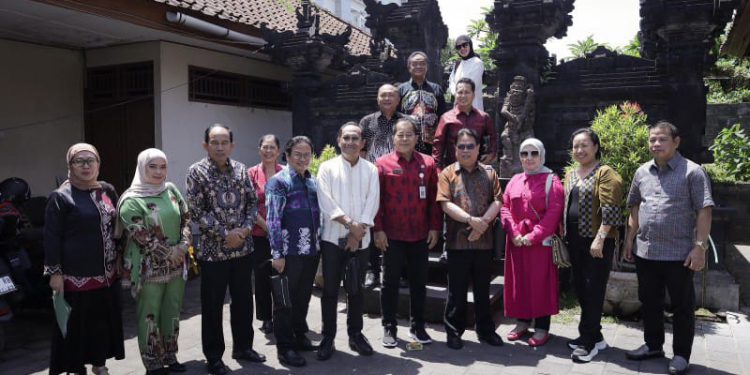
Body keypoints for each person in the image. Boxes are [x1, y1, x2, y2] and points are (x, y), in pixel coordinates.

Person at [623, 121, 713, 375]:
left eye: (662, 139)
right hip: (646, 251)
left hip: (679, 254)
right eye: (652, 139)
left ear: (676, 142)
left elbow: (704, 211)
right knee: (649, 301)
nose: (656, 144)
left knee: (682, 306)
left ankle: (682, 355)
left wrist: (700, 247)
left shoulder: (692, 172)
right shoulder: (642, 172)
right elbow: (635, 207)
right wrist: (630, 238)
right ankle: (653, 345)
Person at [185, 124, 265, 375]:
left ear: (232, 145)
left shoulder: (241, 170)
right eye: (214, 142)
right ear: (205, 145)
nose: (219, 147)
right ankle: (214, 357)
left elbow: (252, 204)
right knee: (212, 306)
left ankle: (243, 347)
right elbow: (197, 210)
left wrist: (242, 231)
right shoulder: (196, 172)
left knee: (243, 301)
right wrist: (224, 235)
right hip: (213, 252)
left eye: (224, 142)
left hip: (243, 249)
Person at [44, 143, 124, 375]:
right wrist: (54, 273)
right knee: (76, 327)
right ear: (70, 165)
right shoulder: (60, 197)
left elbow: (118, 225)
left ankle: (99, 365)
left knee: (100, 325)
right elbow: (51, 237)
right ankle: (75, 369)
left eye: (91, 160)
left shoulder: (107, 190)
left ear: (99, 163)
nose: (86, 165)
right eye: (79, 161)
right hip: (74, 277)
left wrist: (120, 255)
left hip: (107, 275)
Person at [118, 148, 191, 375]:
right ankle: (153, 363)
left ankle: (170, 355)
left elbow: (186, 218)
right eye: (153, 166)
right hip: (148, 268)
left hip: (177, 265)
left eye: (163, 167)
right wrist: (170, 253)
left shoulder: (170, 190)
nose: (159, 172)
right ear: (142, 167)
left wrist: (183, 245)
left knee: (172, 310)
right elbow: (142, 237)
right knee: (149, 314)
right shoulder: (131, 200)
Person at [374, 118, 441, 348]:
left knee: (419, 283)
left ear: (416, 137)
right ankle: (389, 327)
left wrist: (434, 227)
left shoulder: (429, 164)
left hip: (420, 234)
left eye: (408, 134)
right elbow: (377, 200)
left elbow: (434, 199)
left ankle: (418, 326)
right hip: (391, 234)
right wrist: (379, 229)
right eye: (399, 135)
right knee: (389, 283)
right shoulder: (382, 164)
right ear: (393, 138)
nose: (404, 138)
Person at [316, 122, 380, 361]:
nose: (351, 142)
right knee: (330, 291)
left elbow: (372, 202)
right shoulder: (326, 168)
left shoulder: (371, 170)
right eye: (347, 138)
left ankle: (356, 334)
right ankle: (328, 337)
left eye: (356, 138)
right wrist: (350, 226)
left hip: (360, 241)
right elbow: (326, 202)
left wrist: (357, 232)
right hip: (332, 240)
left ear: (363, 143)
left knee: (356, 290)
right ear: (339, 140)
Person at [436, 128, 504, 350]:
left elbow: (498, 201)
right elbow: (445, 204)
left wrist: (482, 222)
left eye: (470, 146)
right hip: (457, 242)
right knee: (456, 291)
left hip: (484, 243)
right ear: (455, 150)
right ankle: (454, 331)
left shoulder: (489, 173)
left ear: (478, 149)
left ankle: (485, 330)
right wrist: (472, 221)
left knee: (483, 289)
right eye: (461, 146)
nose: (465, 150)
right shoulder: (447, 173)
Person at [563, 129, 624, 363]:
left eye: (585, 145)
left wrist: (600, 237)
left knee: (593, 289)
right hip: (575, 240)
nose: (579, 150)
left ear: (596, 147)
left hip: (597, 242)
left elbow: (611, 209)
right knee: (580, 287)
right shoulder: (571, 174)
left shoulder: (605, 173)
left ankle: (588, 344)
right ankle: (594, 336)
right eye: (576, 146)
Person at [501, 138, 564, 347]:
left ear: (542, 155)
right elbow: (505, 207)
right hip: (517, 242)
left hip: (539, 244)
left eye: (534, 153)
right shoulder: (516, 179)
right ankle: (522, 322)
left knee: (540, 284)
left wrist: (532, 236)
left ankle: (542, 327)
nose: (529, 158)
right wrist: (514, 233)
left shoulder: (551, 180)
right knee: (520, 282)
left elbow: (553, 213)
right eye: (524, 154)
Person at [266, 136, 321, 368]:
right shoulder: (278, 182)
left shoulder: (313, 182)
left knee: (302, 298)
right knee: (284, 302)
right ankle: (285, 348)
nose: (302, 158)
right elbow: (273, 219)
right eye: (297, 154)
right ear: (287, 156)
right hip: (289, 252)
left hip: (310, 250)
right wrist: (276, 253)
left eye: (306, 154)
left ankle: (299, 335)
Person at [360, 83, 404, 289]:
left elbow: (417, 149)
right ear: (377, 99)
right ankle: (372, 270)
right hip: (372, 180)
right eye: (383, 95)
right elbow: (361, 151)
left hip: (400, 182)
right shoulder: (367, 122)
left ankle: (398, 271)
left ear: (398, 99)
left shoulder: (407, 122)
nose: (387, 99)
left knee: (396, 227)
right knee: (370, 225)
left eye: (391, 96)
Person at [247, 134, 284, 335]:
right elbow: (248, 206)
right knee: (261, 278)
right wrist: (268, 227)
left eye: (272, 147)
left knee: (281, 275)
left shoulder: (286, 173)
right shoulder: (250, 174)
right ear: (259, 149)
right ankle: (266, 317)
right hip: (259, 235)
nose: (268, 151)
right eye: (265, 147)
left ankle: (282, 313)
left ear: (278, 151)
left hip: (282, 237)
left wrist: (278, 230)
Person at [433, 77, 497, 168]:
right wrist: (437, 169)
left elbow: (493, 138)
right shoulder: (446, 118)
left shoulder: (483, 118)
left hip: (477, 170)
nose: (463, 96)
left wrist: (491, 154)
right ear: (455, 94)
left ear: (473, 95)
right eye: (460, 92)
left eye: (467, 92)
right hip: (453, 169)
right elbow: (438, 144)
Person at [399, 51, 447, 155]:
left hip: (431, 144)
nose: (418, 66)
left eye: (422, 63)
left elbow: (443, 117)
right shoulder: (401, 90)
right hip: (407, 142)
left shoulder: (436, 89)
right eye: (415, 64)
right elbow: (396, 117)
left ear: (427, 66)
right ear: (409, 67)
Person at [448, 35, 484, 111]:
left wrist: (458, 92)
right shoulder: (458, 64)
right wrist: (456, 92)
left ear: (470, 45)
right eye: (459, 47)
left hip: (474, 108)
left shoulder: (477, 63)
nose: (462, 48)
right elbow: (451, 81)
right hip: (458, 107)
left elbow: (471, 85)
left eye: (465, 45)